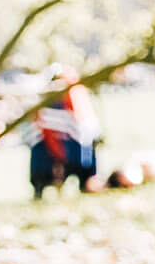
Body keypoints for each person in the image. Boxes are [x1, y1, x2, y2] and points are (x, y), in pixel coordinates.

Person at [23, 67, 102, 198]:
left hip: (71, 147)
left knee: (82, 146)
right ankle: (43, 184)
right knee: (42, 150)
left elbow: (85, 126)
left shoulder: (76, 97)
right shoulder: (45, 102)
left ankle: (86, 182)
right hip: (48, 148)